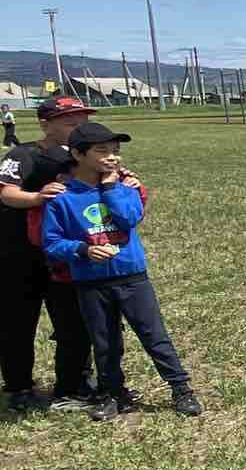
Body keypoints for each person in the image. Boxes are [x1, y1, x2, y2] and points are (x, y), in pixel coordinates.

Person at [39, 121, 202, 419]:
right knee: (105, 343)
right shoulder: (62, 197)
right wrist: (82, 250)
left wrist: (111, 186)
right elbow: (51, 242)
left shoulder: (124, 187)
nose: (112, 157)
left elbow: (128, 219)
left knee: (154, 335)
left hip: (132, 278)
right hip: (91, 282)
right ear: (77, 153)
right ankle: (111, 394)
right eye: (102, 151)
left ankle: (181, 390)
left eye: (115, 151)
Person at [0, 96, 97, 413]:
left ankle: (73, 385)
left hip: (65, 255)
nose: (79, 126)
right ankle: (19, 388)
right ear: (45, 123)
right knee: (18, 324)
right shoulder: (25, 153)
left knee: (74, 323)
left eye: (82, 120)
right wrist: (37, 197)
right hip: (20, 255)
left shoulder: (84, 156)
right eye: (71, 121)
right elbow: (7, 192)